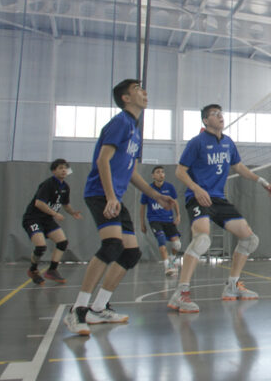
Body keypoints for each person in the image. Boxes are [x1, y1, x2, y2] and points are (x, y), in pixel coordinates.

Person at [63, 79, 176, 336]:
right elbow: (103, 159)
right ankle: (78, 309)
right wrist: (111, 196)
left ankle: (99, 308)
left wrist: (155, 196)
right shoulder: (120, 123)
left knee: (131, 253)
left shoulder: (135, 130)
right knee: (112, 246)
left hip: (114, 196)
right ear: (125, 98)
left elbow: (131, 172)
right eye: (138, 89)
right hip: (101, 193)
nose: (144, 92)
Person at [168, 104, 271, 314]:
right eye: (214, 114)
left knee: (249, 238)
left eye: (220, 113)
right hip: (198, 198)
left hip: (218, 199)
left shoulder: (227, 143)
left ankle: (232, 285)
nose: (220, 117)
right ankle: (181, 293)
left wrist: (260, 180)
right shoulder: (196, 143)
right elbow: (180, 171)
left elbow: (239, 167)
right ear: (206, 121)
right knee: (202, 240)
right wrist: (197, 189)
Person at [22, 159, 83, 285]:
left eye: (65, 168)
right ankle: (33, 270)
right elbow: (39, 203)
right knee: (41, 246)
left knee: (62, 242)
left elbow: (65, 204)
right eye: (60, 168)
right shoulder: (48, 184)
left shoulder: (65, 187)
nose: (64, 170)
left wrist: (72, 212)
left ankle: (52, 270)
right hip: (33, 218)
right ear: (54, 170)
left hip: (47, 219)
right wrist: (55, 213)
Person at [138, 165, 182, 277]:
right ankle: (168, 266)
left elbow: (175, 202)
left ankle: (172, 260)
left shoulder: (170, 187)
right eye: (158, 172)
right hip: (155, 220)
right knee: (161, 240)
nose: (161, 174)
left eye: (162, 172)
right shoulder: (148, 189)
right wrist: (142, 223)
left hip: (168, 220)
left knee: (177, 244)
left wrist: (178, 215)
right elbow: (142, 207)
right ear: (153, 175)